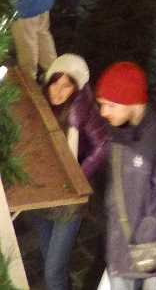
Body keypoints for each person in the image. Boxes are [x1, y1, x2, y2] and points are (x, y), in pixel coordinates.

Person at [94, 60, 156, 290]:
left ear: (131, 101)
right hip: (121, 256)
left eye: (110, 105)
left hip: (152, 263)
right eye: (101, 104)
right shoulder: (118, 129)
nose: (103, 112)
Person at [32, 54, 109, 290]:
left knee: (52, 272)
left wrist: (78, 176)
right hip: (42, 193)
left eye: (66, 86)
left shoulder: (82, 110)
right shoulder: (38, 100)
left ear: (76, 88)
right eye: (55, 83)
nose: (57, 91)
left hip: (69, 199)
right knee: (51, 262)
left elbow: (103, 144)